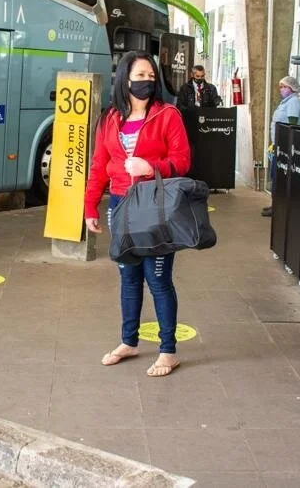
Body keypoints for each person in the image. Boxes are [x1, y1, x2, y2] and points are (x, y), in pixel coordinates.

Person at [84, 51, 191, 377]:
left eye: (150, 76)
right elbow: (99, 166)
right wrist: (90, 207)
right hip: (120, 206)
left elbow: (183, 161)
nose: (146, 81)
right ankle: (129, 341)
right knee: (128, 278)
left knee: (157, 279)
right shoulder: (110, 119)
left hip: (155, 207)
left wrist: (150, 167)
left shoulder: (168, 115)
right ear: (124, 79)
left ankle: (168, 350)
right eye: (140, 75)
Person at [262, 75, 300, 217]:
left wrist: (281, 144)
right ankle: (275, 204)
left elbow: (290, 125)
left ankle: (278, 207)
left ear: (291, 88)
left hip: (284, 146)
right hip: (278, 144)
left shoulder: (293, 102)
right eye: (280, 87)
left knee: (278, 177)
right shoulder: (286, 102)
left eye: (284, 87)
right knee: (275, 176)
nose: (281, 89)